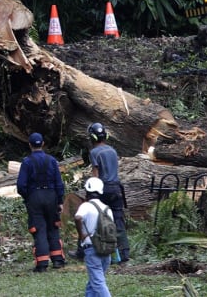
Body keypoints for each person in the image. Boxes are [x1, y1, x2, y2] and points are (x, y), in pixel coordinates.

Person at [16, 132, 66, 272]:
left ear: (30, 145)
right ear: (43, 144)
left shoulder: (27, 162)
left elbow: (21, 185)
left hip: (35, 197)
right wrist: (60, 200)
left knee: (39, 229)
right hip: (51, 196)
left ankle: (42, 263)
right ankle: (57, 260)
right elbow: (59, 183)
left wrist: (28, 197)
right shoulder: (51, 161)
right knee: (53, 226)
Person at [88, 122, 130, 262]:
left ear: (92, 137)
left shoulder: (94, 152)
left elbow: (96, 174)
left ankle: (100, 250)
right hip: (116, 188)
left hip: (103, 189)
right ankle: (124, 253)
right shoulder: (112, 150)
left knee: (98, 219)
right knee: (118, 219)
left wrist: (91, 193)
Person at [75, 177, 114, 297]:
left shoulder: (86, 205)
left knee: (97, 282)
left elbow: (77, 217)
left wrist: (81, 235)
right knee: (94, 280)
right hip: (106, 249)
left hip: (92, 248)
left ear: (87, 191)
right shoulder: (107, 209)